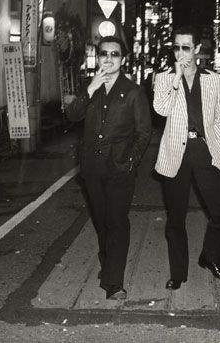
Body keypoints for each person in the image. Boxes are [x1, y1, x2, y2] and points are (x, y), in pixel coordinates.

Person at [64, 36, 152, 300]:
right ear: (98, 58)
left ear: (123, 60)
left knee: (117, 223)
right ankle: (108, 265)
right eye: (104, 54)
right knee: (101, 222)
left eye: (115, 54)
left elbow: (144, 133)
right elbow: (72, 115)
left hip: (119, 169)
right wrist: (89, 88)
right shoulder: (90, 88)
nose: (109, 59)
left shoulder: (134, 92)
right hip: (92, 168)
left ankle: (115, 282)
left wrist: (130, 162)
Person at [153, 25, 220, 290]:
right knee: (176, 216)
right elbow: (161, 109)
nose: (180, 53)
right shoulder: (164, 78)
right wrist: (176, 78)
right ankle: (178, 273)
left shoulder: (212, 78)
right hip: (175, 151)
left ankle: (210, 257)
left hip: (203, 149)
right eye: (176, 47)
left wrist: (215, 139)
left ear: (197, 50)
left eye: (186, 47)